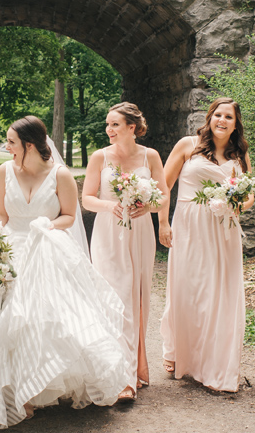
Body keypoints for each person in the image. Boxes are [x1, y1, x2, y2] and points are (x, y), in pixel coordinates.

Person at [0, 116, 129, 429]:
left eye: (11, 142)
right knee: (3, 322)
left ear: (29, 145)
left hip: (47, 249)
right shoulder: (4, 171)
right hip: (10, 250)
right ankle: (14, 394)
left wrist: (48, 225)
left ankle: (37, 385)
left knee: (41, 319)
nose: (6, 147)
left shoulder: (60, 175)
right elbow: (1, 214)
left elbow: (69, 216)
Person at [157, 98, 253, 392]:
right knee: (189, 288)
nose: (222, 120)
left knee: (219, 292)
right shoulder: (188, 145)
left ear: (236, 123)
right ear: (210, 118)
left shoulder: (241, 156)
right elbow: (164, 185)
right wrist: (163, 223)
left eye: (229, 117)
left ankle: (215, 364)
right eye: (218, 115)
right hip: (189, 225)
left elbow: (249, 194)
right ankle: (182, 350)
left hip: (223, 228)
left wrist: (237, 205)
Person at [81, 102, 165, 400]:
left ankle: (134, 369)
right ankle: (121, 378)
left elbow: (163, 196)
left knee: (137, 298)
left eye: (115, 124)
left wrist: (148, 206)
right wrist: (111, 206)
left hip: (140, 234)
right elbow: (87, 199)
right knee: (114, 298)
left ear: (132, 127)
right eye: (108, 124)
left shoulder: (150, 156)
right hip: (108, 233)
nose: (109, 130)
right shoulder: (99, 157)